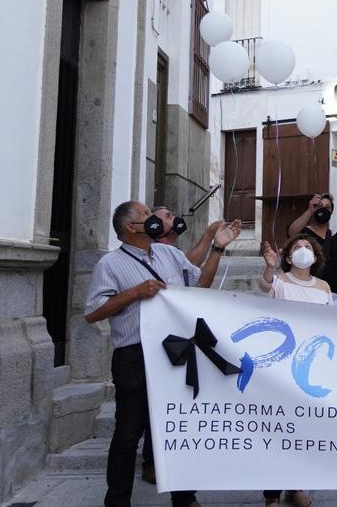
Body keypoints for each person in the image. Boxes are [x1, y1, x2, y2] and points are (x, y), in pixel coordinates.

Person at [85, 201, 237, 507]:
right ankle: (116, 501)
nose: (152, 218)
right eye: (145, 215)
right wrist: (134, 293)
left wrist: (217, 249)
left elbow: (201, 286)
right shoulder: (110, 264)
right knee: (128, 433)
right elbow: (93, 313)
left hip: (175, 352)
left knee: (177, 426)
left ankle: (184, 497)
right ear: (130, 227)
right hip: (134, 356)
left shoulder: (169, 253)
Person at [141, 207, 238, 484]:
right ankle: (151, 460)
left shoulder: (171, 253)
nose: (174, 217)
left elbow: (195, 276)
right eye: (166, 214)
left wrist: (215, 244)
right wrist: (209, 236)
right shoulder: (147, 252)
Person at [258, 234, 330, 507]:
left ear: (315, 255)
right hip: (281, 364)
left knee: (303, 429)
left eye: (308, 246)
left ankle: (296, 485)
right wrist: (270, 268)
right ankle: (271, 495)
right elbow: (263, 293)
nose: (303, 250)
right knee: (278, 430)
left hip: (310, 367)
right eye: (297, 247)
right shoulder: (279, 282)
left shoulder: (323, 287)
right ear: (288, 257)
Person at [287, 193, 337, 307]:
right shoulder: (305, 234)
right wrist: (309, 211)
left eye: (327, 207)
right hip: (313, 291)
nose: (323, 210)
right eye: (320, 206)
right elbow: (291, 233)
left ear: (331, 212)